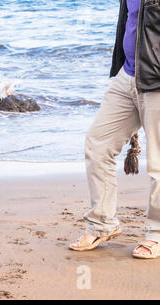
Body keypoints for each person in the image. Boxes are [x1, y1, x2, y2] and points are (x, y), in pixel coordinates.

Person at [70, 0, 160, 259]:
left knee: (157, 163)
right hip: (128, 75)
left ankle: (156, 234)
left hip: (156, 82)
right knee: (98, 143)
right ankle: (102, 224)